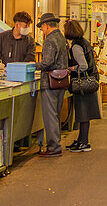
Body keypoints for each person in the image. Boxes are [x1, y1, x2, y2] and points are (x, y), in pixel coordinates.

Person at [35, 13, 69, 157]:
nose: (42, 30)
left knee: (50, 115)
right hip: (61, 80)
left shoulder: (49, 39)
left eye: (42, 27)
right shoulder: (61, 37)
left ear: (46, 26)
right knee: (56, 113)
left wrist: (33, 65)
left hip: (50, 82)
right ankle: (55, 143)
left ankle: (54, 147)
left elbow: (47, 62)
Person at [64, 19, 99, 152]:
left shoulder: (76, 46)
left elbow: (83, 66)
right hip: (90, 81)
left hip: (83, 84)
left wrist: (71, 69)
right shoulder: (84, 42)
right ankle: (80, 140)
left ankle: (84, 142)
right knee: (84, 114)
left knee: (83, 114)